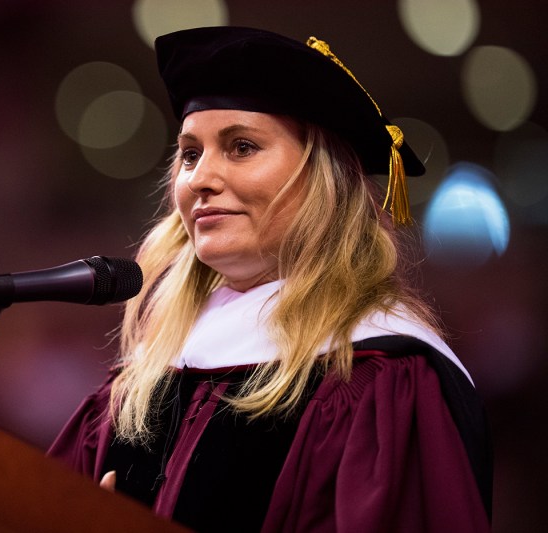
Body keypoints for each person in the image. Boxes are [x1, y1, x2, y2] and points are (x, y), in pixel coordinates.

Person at [48, 26, 492, 532]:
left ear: (324, 181)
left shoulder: (378, 377)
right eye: (190, 154)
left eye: (241, 146)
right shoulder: (144, 382)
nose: (199, 179)